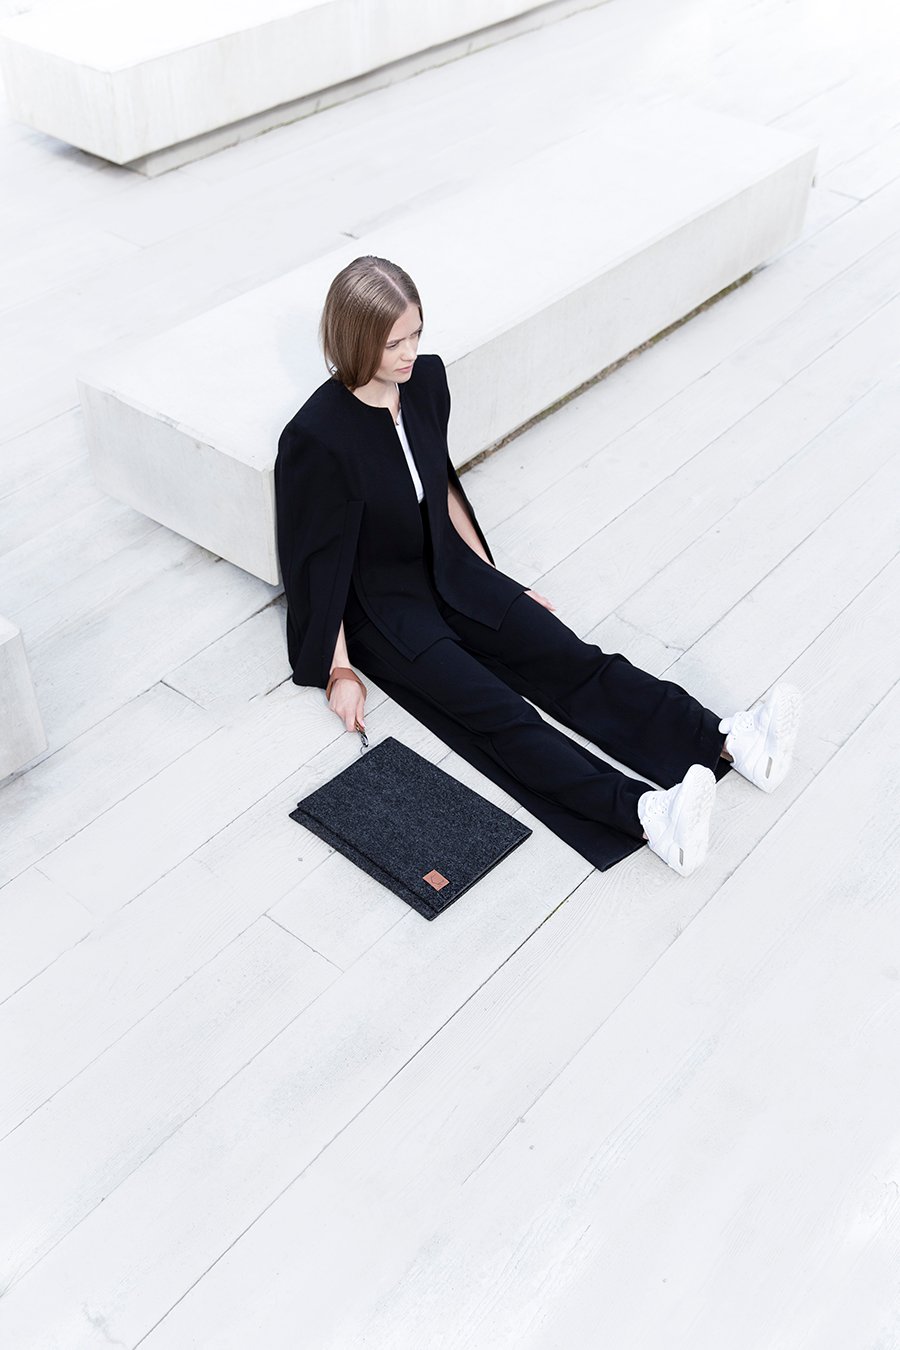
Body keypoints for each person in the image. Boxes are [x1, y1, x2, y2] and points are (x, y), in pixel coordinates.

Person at [275, 256, 801, 876]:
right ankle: (648, 816)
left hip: (449, 569)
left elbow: (441, 489)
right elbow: (315, 564)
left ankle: (728, 740)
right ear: (355, 340)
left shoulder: (426, 383)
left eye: (417, 333)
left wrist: (497, 586)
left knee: (569, 657)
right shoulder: (314, 437)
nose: (410, 352)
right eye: (394, 343)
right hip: (384, 610)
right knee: (499, 711)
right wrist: (339, 670)